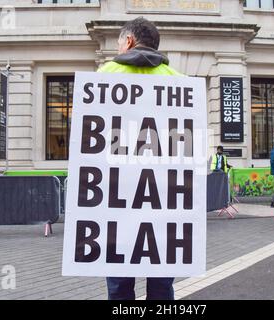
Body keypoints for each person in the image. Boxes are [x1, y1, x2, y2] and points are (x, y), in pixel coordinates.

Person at [98, 17, 181, 301]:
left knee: (119, 285)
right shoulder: (178, 81)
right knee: (162, 286)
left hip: (116, 198)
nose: (119, 48)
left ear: (129, 41)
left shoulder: (105, 74)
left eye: (120, 42)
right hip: (164, 200)